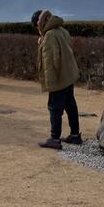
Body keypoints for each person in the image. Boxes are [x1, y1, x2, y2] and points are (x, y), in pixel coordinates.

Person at [35, 10, 81, 150]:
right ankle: (75, 135)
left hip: (59, 77)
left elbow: (50, 62)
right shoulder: (61, 30)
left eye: (37, 23)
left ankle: (54, 139)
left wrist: (51, 84)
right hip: (68, 74)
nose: (37, 27)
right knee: (70, 105)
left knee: (54, 108)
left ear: (42, 22)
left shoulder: (49, 35)